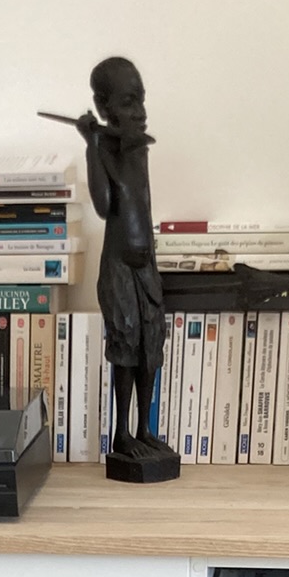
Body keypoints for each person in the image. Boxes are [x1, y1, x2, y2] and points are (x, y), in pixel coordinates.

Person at [73, 56, 178, 480]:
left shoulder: (137, 148)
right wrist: (92, 144)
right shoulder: (105, 148)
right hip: (118, 267)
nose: (140, 111)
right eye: (129, 102)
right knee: (125, 347)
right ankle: (121, 434)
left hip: (146, 266)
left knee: (151, 347)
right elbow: (105, 205)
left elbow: (140, 197)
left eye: (142, 100)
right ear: (104, 106)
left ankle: (145, 429)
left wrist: (129, 144)